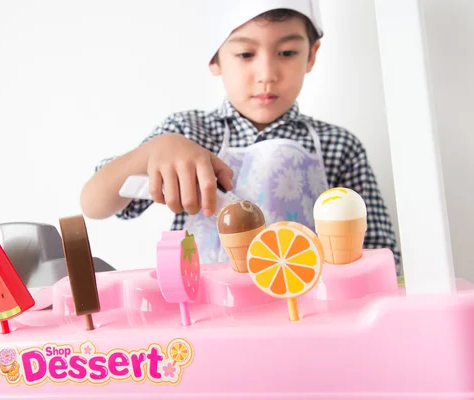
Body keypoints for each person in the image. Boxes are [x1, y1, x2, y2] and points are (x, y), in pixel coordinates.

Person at [80, 0, 402, 268]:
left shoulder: (339, 147)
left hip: (309, 319)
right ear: (215, 59)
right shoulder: (188, 134)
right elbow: (94, 204)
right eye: (246, 55)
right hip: (207, 321)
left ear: (312, 55)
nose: (267, 75)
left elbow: (382, 255)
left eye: (287, 52)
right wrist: (153, 151)